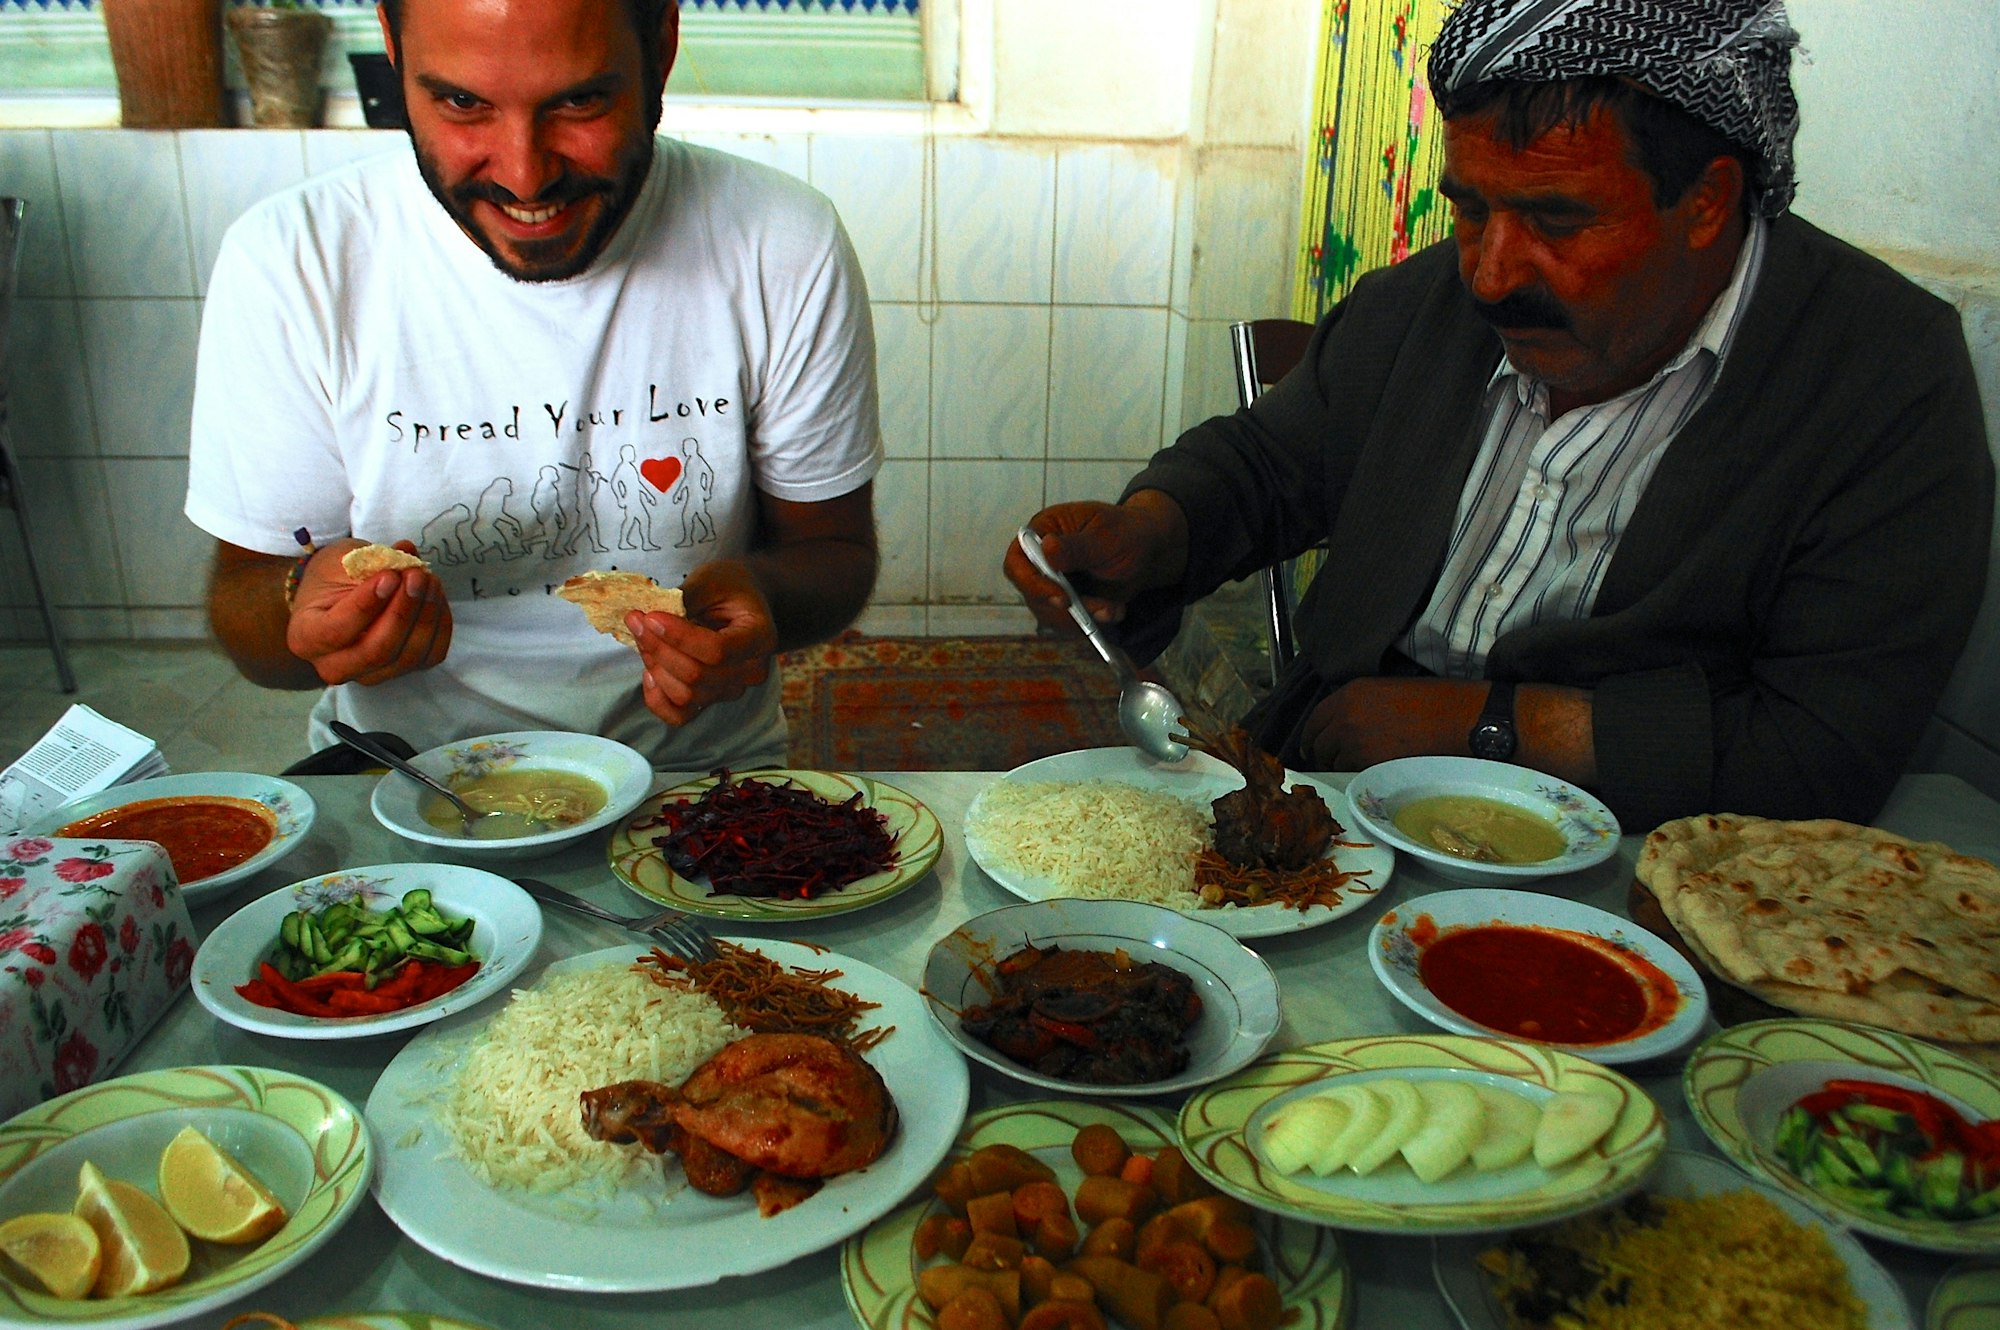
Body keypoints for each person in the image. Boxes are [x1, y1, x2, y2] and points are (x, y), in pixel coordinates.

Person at [1005, 0, 1992, 832]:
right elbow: (1270, 462)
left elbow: (1820, 753)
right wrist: (1151, 531)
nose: (1488, 273)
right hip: (1331, 796)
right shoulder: (1423, 306)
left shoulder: (1882, 381)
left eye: (1557, 219)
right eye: (1472, 209)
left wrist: (1488, 726)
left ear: (1705, 202)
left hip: (1641, 869)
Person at [184, 0, 881, 771]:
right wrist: (302, 607)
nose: (524, 175)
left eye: (580, 102)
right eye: (462, 102)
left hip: (696, 776)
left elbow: (834, 551)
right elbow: (246, 613)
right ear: (392, 48)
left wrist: (763, 597)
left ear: (661, 45)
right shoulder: (295, 259)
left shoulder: (781, 241)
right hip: (406, 773)